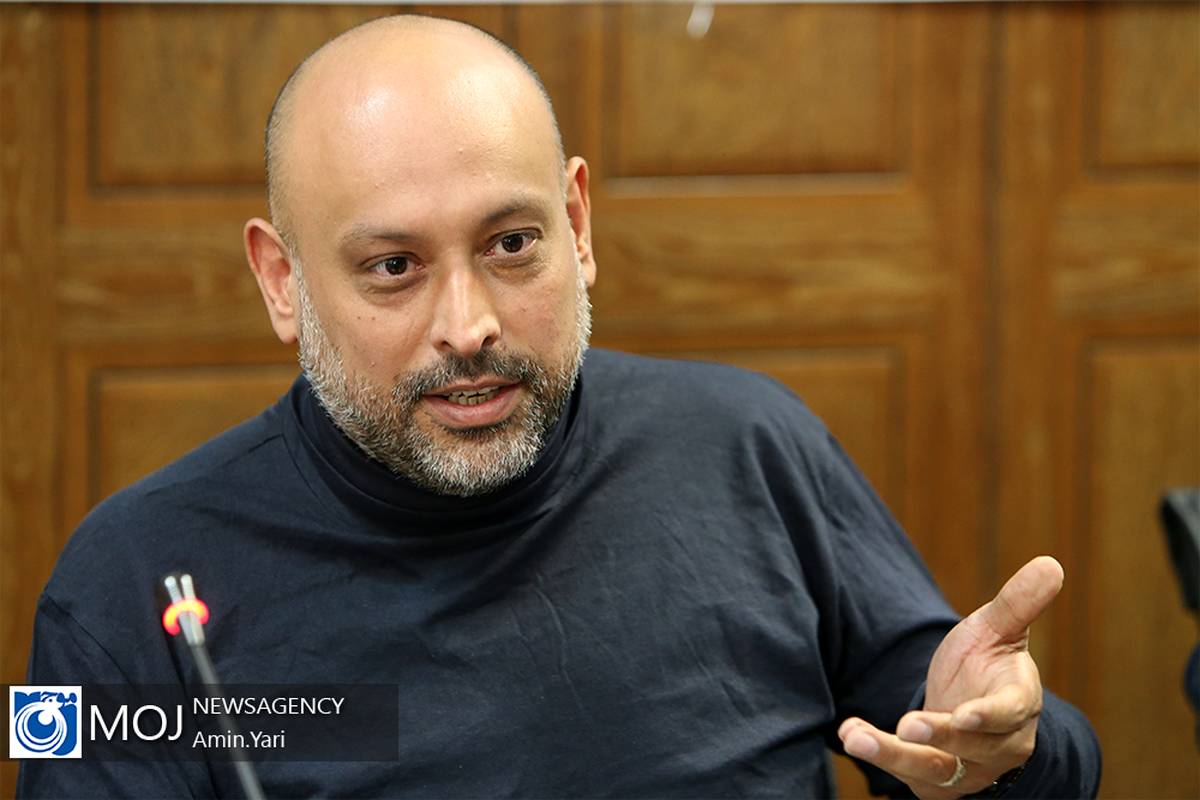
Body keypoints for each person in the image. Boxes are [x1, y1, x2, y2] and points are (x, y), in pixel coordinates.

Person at [19, 15, 1100, 799]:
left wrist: (1013, 748)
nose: (468, 325)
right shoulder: (120, 581)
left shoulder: (749, 443)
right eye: (393, 266)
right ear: (282, 281)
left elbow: (990, 748)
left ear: (577, 225)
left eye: (511, 243)